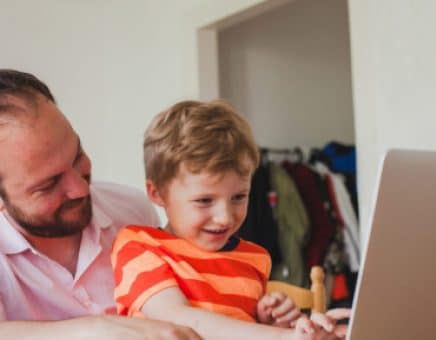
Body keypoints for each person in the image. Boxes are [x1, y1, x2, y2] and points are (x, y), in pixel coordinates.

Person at [111, 100, 350, 339]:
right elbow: (180, 322)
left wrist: (272, 323)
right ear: (157, 193)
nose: (225, 217)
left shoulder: (255, 258)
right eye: (204, 200)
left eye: (238, 197)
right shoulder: (139, 246)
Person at [0, 69, 201, 339]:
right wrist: (96, 329)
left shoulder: (133, 211)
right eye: (48, 185)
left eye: (77, 156)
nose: (81, 189)